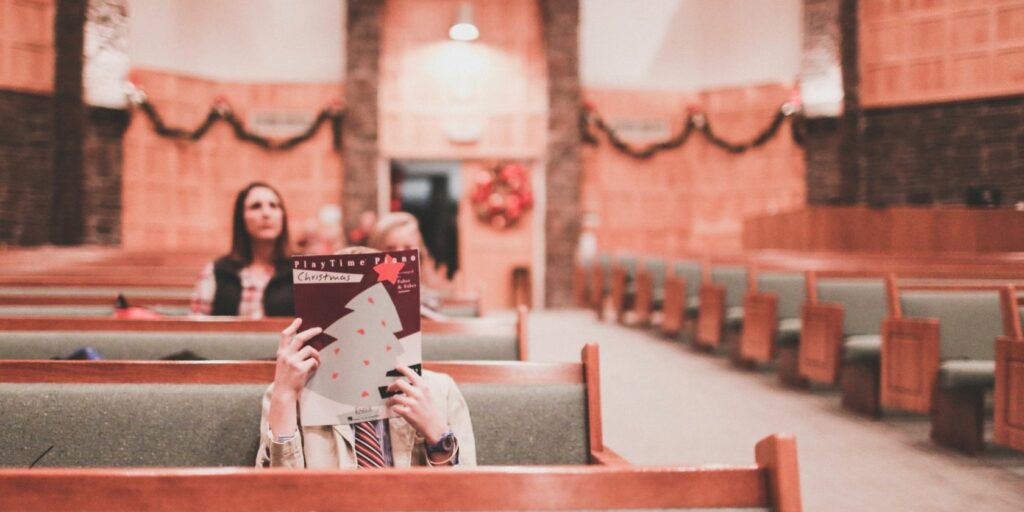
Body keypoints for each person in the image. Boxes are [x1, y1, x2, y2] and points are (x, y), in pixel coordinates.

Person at [255, 247, 476, 468]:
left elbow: (468, 498)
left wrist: (437, 438)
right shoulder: (288, 396)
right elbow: (277, 497)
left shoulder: (440, 391)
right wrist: (284, 399)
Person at [190, 182, 294, 318]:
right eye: (256, 206)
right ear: (241, 218)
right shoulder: (216, 271)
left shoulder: (302, 270)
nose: (266, 213)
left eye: (273, 206)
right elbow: (195, 328)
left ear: (283, 216)